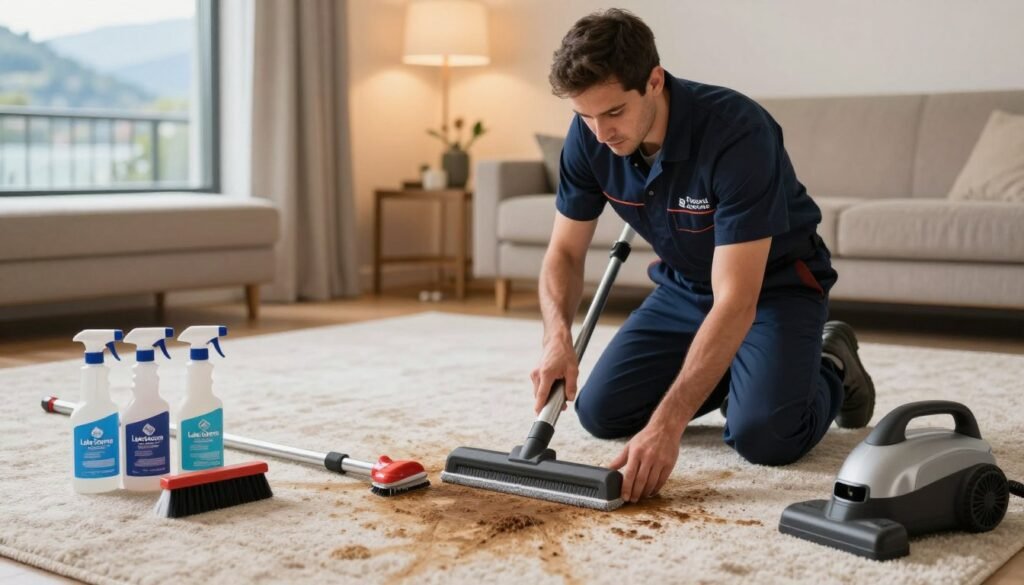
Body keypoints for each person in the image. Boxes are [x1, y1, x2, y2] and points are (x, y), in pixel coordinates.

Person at [529, 8, 876, 504]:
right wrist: (556, 338)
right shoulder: (589, 137)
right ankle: (743, 370)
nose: (600, 134)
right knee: (602, 414)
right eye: (585, 116)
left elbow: (737, 299)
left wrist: (668, 424)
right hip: (685, 287)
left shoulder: (737, 133)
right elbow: (564, 251)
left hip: (774, 288)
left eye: (613, 112)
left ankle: (829, 362)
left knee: (763, 436)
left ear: (653, 81)